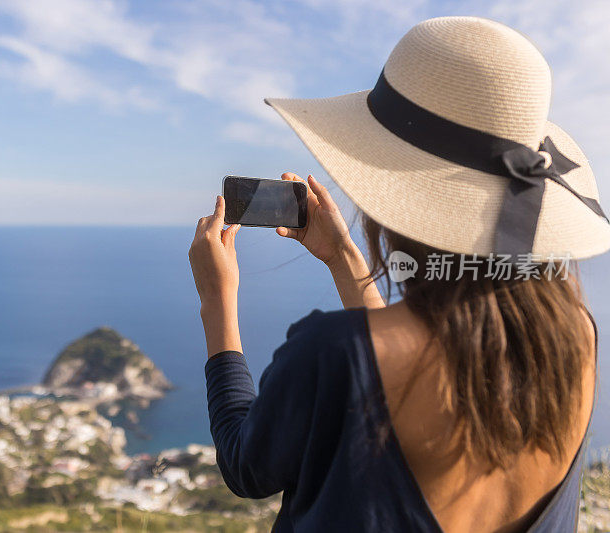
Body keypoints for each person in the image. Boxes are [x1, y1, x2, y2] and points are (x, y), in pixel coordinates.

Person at [188, 16, 607, 533]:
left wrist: (217, 299)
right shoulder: (575, 339)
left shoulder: (333, 352)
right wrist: (343, 257)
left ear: (390, 198)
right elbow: (400, 373)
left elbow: (245, 466)